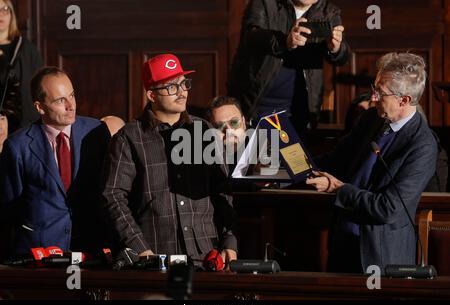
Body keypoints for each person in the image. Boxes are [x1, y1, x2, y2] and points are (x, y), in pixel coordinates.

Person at [101, 54, 238, 268]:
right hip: (154, 256)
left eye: (183, 83)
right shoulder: (129, 137)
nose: (182, 92)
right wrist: (139, 247)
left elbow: (222, 191)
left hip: (206, 256)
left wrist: (229, 241)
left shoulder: (203, 131)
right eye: (171, 87)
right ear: (152, 95)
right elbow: (113, 196)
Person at [305, 52, 438, 274]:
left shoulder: (423, 146)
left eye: (380, 93)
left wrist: (338, 189)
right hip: (343, 240)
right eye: (374, 88)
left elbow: (388, 208)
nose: (373, 98)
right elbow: (336, 159)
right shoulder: (371, 118)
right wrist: (292, 169)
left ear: (404, 100)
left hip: (380, 256)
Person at [0, 67, 111, 257]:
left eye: (72, 95)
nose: (71, 105)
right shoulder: (18, 146)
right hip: (39, 255)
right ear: (39, 107)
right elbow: (9, 209)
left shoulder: (97, 132)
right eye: (61, 100)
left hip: (90, 250)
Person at [228, 0, 350, 136]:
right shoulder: (265, 3)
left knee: (294, 156)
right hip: (257, 102)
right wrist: (285, 41)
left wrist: (336, 48)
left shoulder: (329, 12)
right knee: (256, 154)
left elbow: (343, 58)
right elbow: (251, 36)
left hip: (300, 110)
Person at [0, 0, 43, 132]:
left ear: (11, 14)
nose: (0, 14)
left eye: (5, 9)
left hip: (22, 124)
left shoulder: (26, 49)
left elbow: (40, 85)